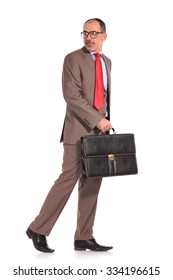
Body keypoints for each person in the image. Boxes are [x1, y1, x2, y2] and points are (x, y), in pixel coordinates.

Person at [26, 18, 113, 253]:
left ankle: (84, 236)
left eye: (94, 33)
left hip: (99, 134)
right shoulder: (72, 59)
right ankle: (37, 229)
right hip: (77, 131)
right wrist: (97, 119)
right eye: (85, 33)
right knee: (67, 179)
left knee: (92, 184)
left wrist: (105, 123)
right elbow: (72, 96)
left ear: (104, 35)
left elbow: (102, 96)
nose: (89, 37)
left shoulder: (107, 62)